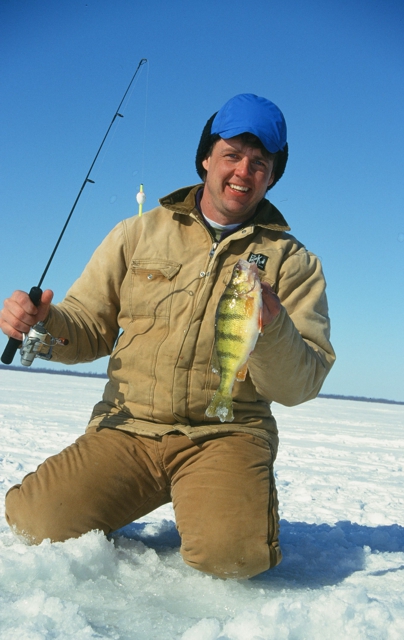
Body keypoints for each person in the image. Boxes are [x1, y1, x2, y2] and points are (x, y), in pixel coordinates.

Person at [0, 94, 335, 579]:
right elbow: (89, 326)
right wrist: (44, 323)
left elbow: (299, 385)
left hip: (225, 432)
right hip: (129, 427)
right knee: (34, 521)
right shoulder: (138, 234)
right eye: (232, 155)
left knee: (233, 557)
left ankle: (228, 496)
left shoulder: (293, 262)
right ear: (205, 158)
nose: (244, 171)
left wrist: (274, 325)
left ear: (272, 176)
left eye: (260, 162)